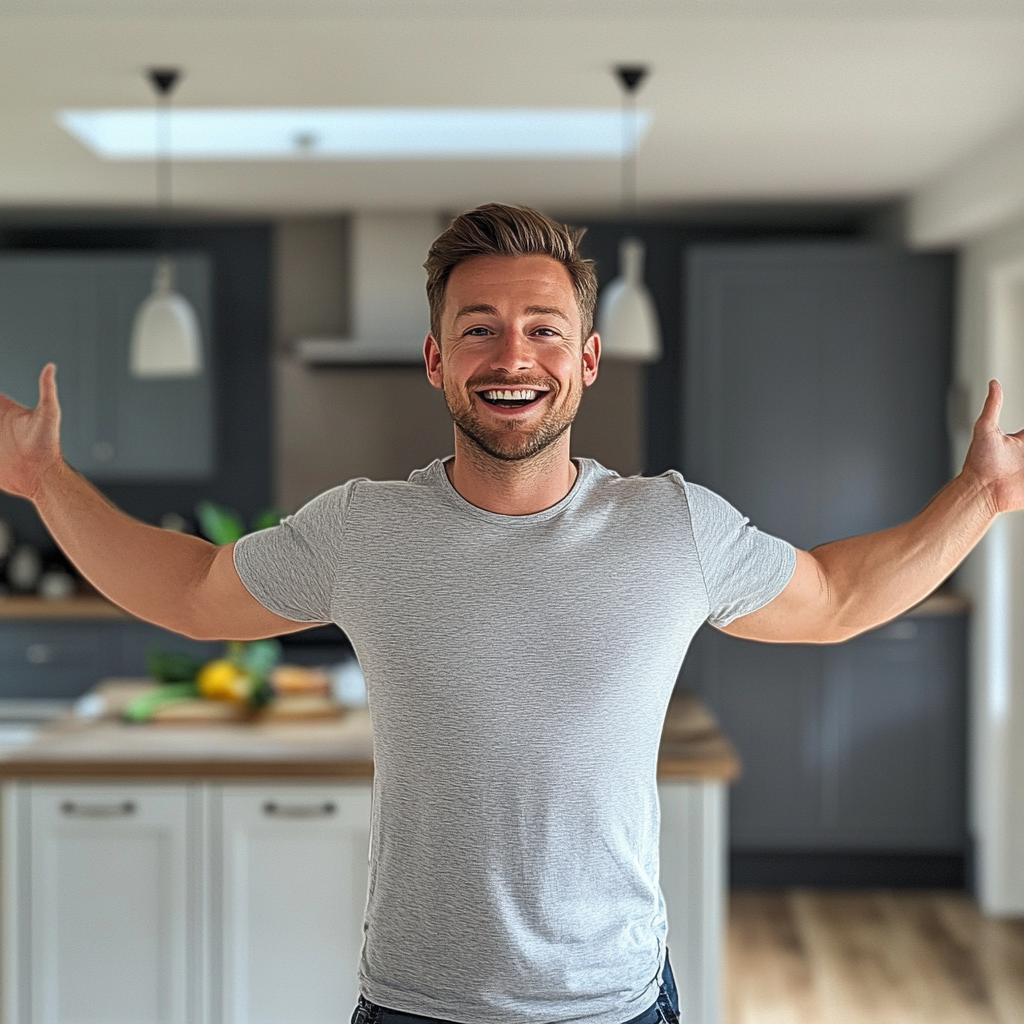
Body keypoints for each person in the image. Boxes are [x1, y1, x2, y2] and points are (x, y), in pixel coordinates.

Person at [0, 203, 1018, 1024]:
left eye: (542, 329)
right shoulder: (362, 528)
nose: (510, 354)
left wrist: (976, 495)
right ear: (437, 359)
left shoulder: (672, 526)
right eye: (476, 328)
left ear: (585, 359)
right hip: (413, 1006)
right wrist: (46, 481)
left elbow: (835, 598)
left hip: (616, 1005)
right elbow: (187, 588)